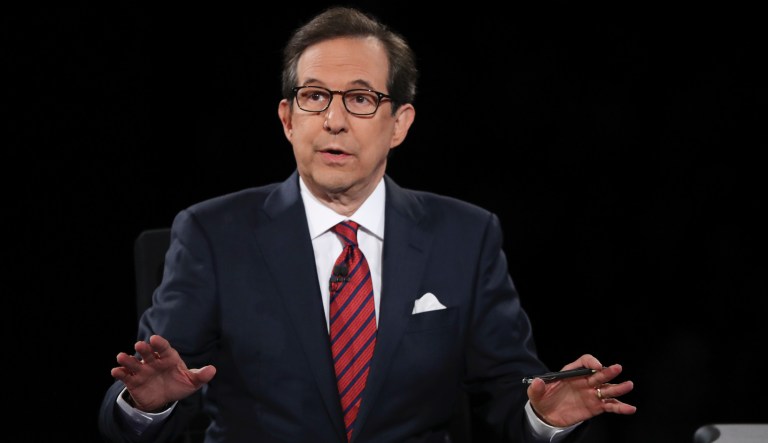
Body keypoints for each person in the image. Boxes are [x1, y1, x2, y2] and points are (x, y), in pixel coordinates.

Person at [98, 6, 636, 443]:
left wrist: (543, 417)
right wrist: (148, 405)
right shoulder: (213, 234)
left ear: (399, 123)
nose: (334, 120)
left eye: (360, 99)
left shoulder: (465, 237)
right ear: (288, 119)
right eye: (314, 97)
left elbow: (507, 393)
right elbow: (143, 400)